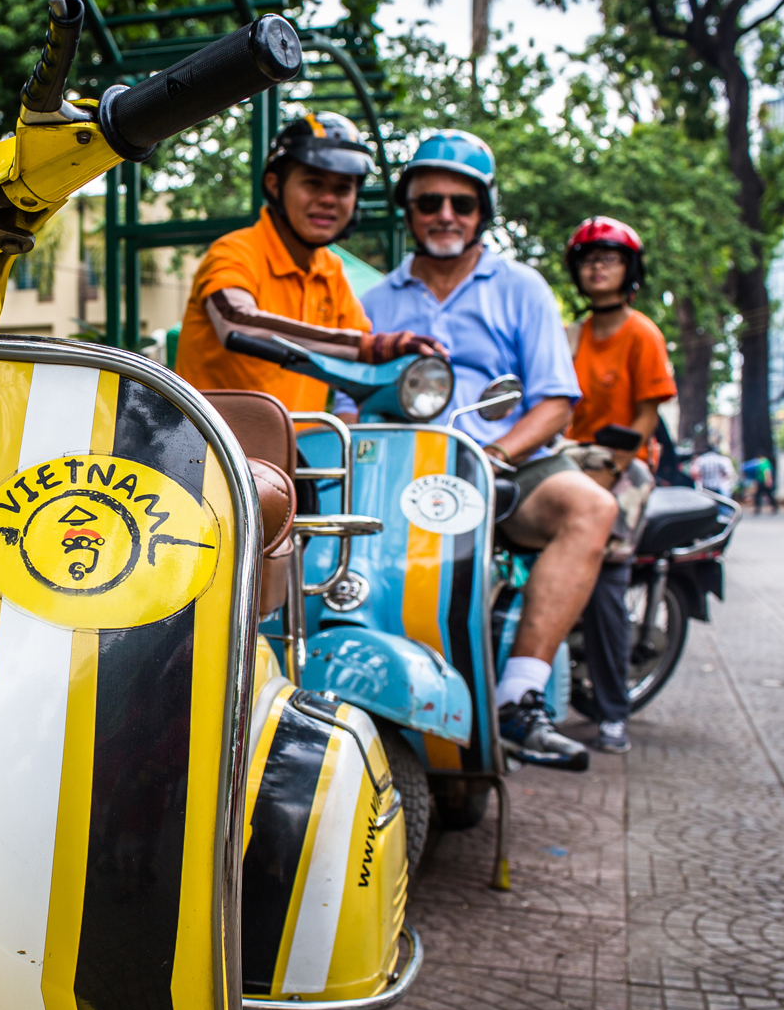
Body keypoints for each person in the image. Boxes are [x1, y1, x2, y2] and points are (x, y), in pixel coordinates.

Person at [359, 130, 618, 771]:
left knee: (592, 508)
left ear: (483, 213)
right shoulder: (372, 303)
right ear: (409, 212)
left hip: (508, 466)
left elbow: (556, 401)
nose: (445, 214)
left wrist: (493, 455)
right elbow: (348, 405)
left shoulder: (523, 286)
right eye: (429, 202)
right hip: (396, 469)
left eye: (461, 203)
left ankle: (520, 695)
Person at [175, 113, 442, 422]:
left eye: (343, 188)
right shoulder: (234, 252)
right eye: (313, 183)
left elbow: (363, 363)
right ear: (275, 185)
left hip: (299, 457)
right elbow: (236, 321)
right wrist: (371, 347)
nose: (328, 199)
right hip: (212, 454)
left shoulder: (331, 270)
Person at [561, 217, 678, 754]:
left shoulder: (642, 333)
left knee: (606, 579)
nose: (598, 265)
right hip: (570, 460)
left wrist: (610, 471)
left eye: (609, 257)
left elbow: (648, 416)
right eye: (588, 258)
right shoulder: (572, 334)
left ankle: (613, 713)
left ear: (630, 269)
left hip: (625, 465)